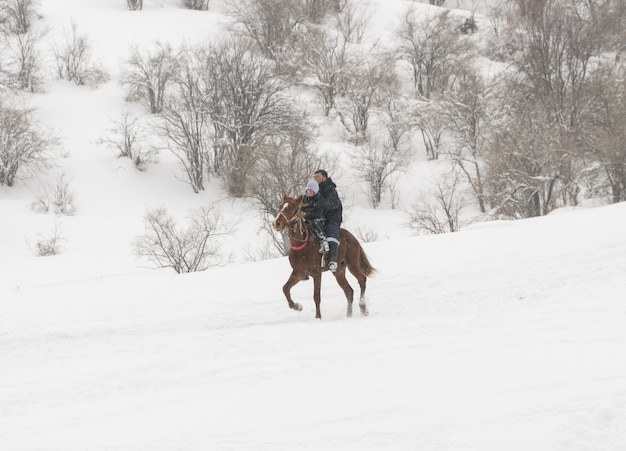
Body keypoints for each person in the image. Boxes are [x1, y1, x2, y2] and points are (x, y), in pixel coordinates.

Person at [313, 169, 342, 272]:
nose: (314, 178)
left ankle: (333, 259)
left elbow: (332, 204)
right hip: (319, 217)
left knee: (331, 232)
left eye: (317, 176)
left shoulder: (330, 189)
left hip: (332, 217)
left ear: (324, 178)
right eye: (314, 177)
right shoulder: (314, 190)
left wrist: (318, 204)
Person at [301, 179, 330, 255]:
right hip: (306, 218)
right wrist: (301, 213)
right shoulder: (304, 198)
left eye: (312, 190)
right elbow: (302, 208)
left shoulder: (319, 199)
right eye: (308, 190)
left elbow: (318, 212)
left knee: (315, 222)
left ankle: (322, 238)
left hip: (318, 218)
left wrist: (307, 215)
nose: (310, 192)